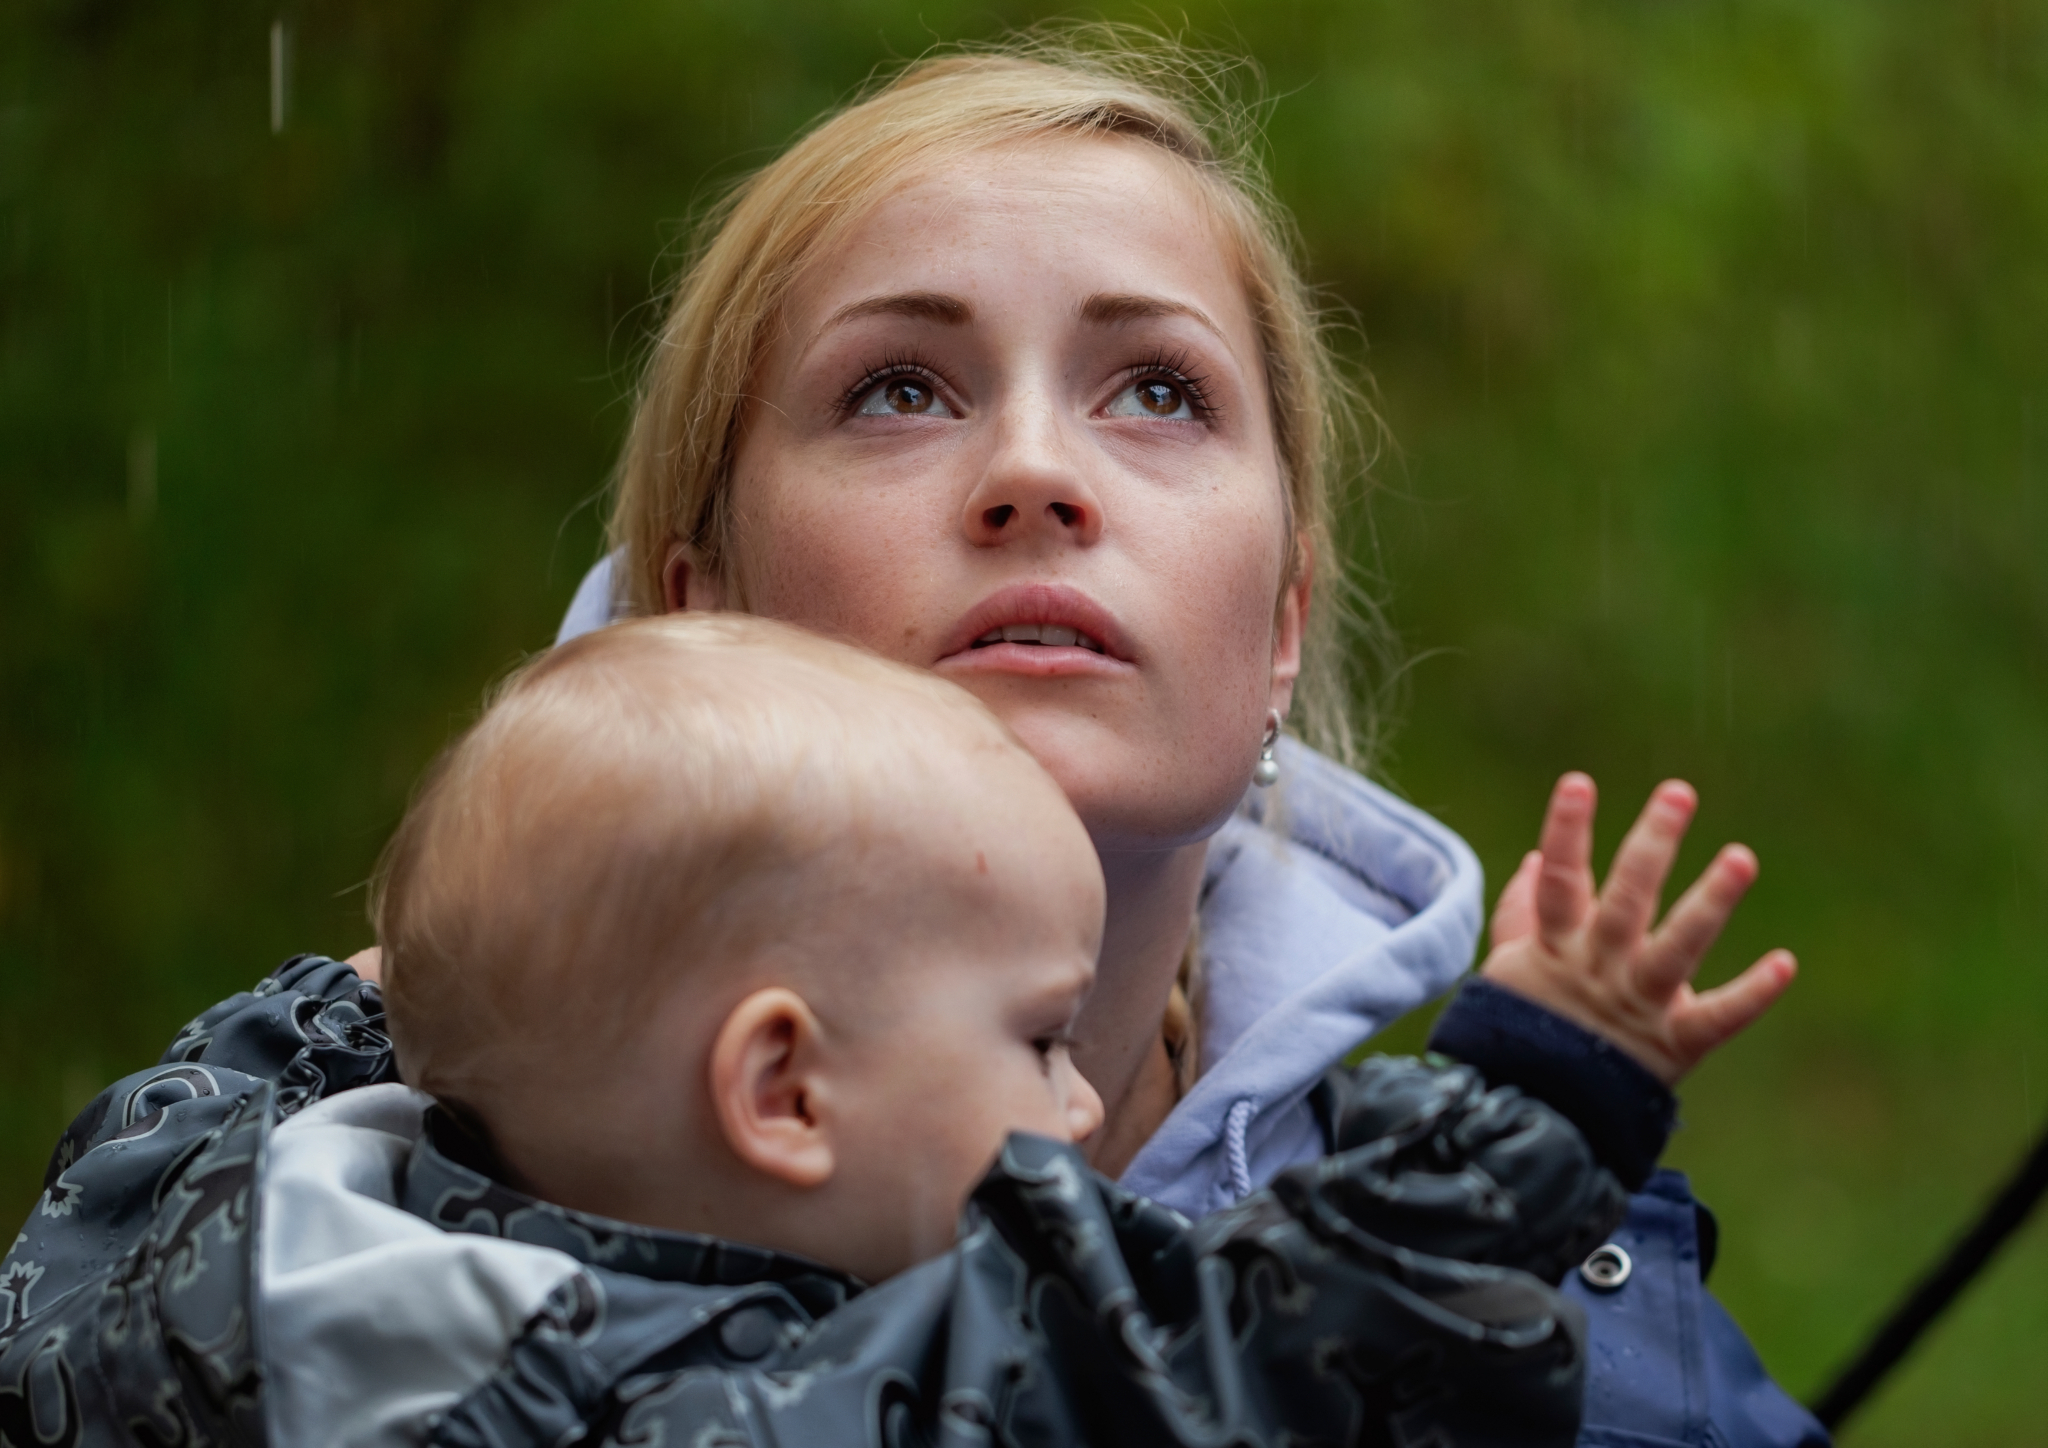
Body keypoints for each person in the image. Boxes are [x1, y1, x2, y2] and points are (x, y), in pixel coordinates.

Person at [13, 30, 1827, 1448]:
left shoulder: (1588, 1327)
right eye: (899, 388)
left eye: (1158, 390)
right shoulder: (295, 1211)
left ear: (1278, 634)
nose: (1037, 473)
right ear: (693, 603)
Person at [2, 613, 1629, 1447]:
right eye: (1038, 1040)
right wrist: (1531, 1101)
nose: (1074, 1115)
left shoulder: (225, 1229)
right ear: (782, 1087)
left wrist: (385, 1004)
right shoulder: (751, 1414)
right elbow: (1200, 1383)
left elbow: (186, 1109)